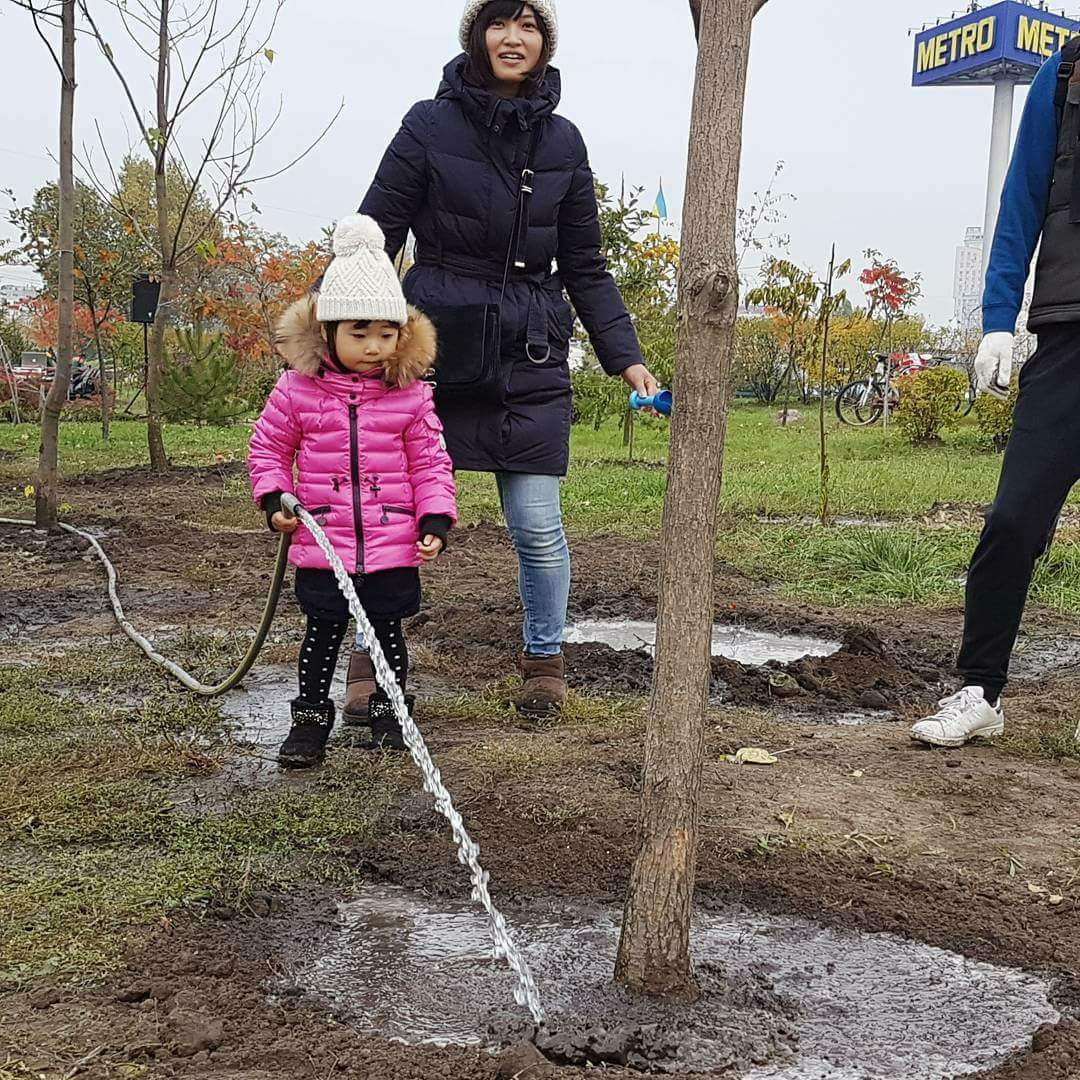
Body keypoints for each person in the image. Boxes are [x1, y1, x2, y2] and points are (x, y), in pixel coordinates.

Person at [352, 0, 658, 717]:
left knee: (538, 526)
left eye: (528, 25)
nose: (513, 38)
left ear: (545, 42)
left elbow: (585, 264)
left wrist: (626, 357)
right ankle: (372, 659)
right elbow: (374, 237)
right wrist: (324, 341)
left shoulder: (563, 141)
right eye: (499, 22)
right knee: (394, 516)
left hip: (530, 350)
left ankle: (544, 658)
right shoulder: (427, 126)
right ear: (476, 36)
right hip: (433, 347)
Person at [911, 39, 1080, 749]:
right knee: (1012, 520)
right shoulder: (1064, 75)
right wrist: (996, 321)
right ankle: (980, 690)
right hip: (1068, 337)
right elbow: (1021, 202)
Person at [249, 214, 458, 768]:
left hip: (391, 544)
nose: (373, 346)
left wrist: (435, 519)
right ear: (328, 332)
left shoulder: (411, 397)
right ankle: (310, 723)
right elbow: (268, 450)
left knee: (387, 633)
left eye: (386, 334)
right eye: (359, 333)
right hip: (323, 541)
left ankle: (391, 713)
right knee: (322, 634)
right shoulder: (296, 391)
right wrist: (274, 499)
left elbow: (432, 462)